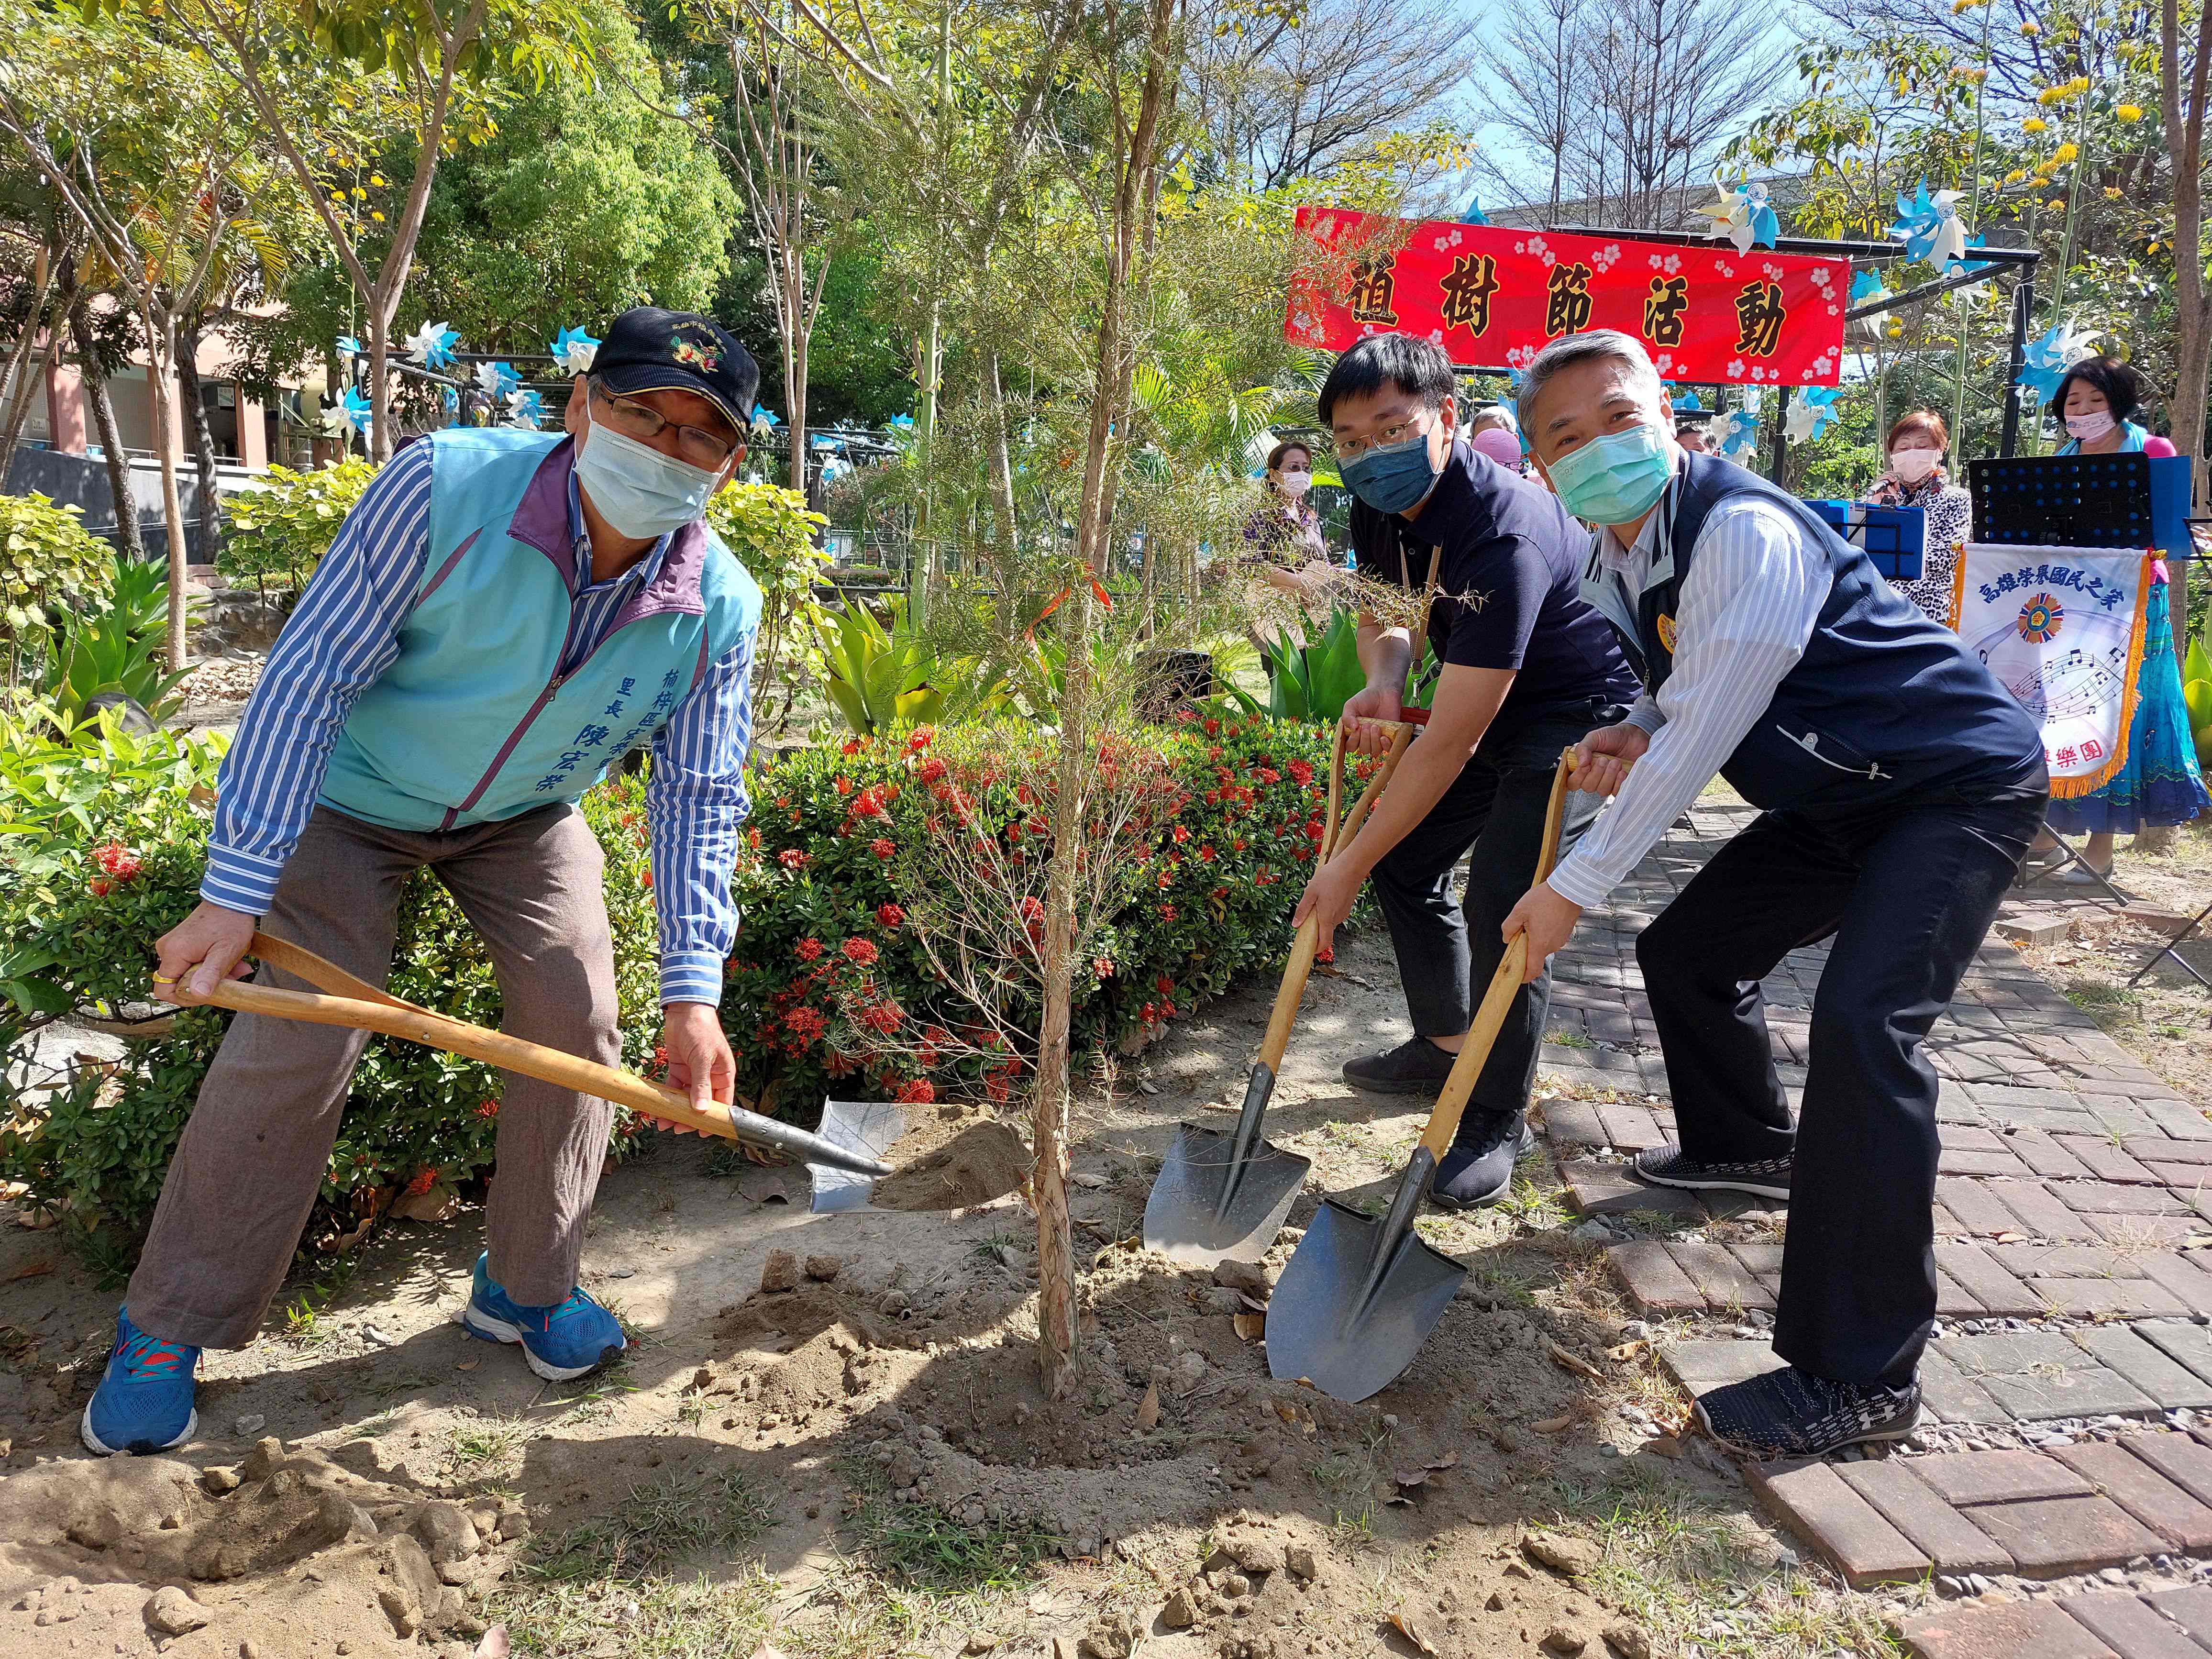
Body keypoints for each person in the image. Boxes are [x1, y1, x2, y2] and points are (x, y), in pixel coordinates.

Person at [83, 308, 765, 1456]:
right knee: (301, 1031)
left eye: (701, 434)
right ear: (582, 406)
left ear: (729, 462)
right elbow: (308, 679)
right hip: (351, 802)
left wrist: (693, 995)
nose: (664, 446)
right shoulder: (445, 488)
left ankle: (526, 1286)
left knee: (576, 1008)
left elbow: (698, 794)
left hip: (520, 817)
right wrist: (236, 891)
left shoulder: (719, 606)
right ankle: (168, 1325)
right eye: (643, 410)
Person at [1502, 330, 2046, 1458]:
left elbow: (1703, 730)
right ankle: (1745, 1147)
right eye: (1565, 435)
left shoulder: (1742, 530)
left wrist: (1570, 887)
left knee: (1862, 1028)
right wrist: (1630, 723)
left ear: (1663, 413)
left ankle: (1861, 1374)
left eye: (1617, 414)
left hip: (1952, 784)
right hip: (1847, 793)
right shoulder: (1619, 556)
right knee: (1691, 947)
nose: (1599, 444)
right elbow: (1688, 688)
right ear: (1537, 465)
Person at [1291, 333, 1638, 1207]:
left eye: (1390, 426)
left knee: (1504, 903)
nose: (1369, 453)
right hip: (1485, 693)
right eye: (1347, 438)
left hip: (1575, 708)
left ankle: (1493, 1114)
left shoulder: (1502, 533)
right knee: (1412, 865)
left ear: (1445, 418)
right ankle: (1444, 1041)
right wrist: (1380, 682)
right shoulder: (1376, 506)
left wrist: (1343, 865)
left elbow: (1447, 745)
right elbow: (1387, 616)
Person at [2029, 356, 2207, 880]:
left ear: (2120, 403)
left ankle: (2101, 852)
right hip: (2072, 604)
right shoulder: (2063, 455)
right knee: (2065, 716)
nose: (2081, 411)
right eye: (2072, 403)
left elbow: (2174, 537)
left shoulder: (2152, 451)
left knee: (2118, 718)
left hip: (2133, 607)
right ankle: (2045, 836)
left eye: (2094, 401)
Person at [1864, 410, 1972, 626]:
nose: (1912, 454)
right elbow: (1852, 544)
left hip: (1927, 610)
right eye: (1903, 448)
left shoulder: (1957, 498)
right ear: (1893, 456)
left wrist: (1901, 543)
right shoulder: (1879, 494)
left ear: (1940, 451)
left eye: (1922, 447)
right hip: (1875, 606)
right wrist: (1876, 506)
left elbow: (1949, 556)